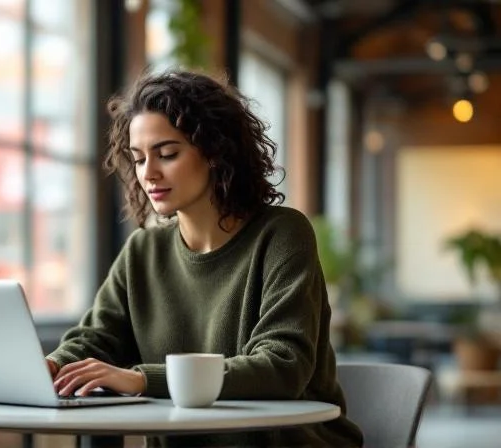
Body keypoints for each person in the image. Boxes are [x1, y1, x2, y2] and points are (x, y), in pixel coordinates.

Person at [44, 69, 364, 447]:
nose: (150, 173)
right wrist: (51, 366)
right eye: (139, 158)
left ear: (214, 150)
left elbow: (283, 365)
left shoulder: (281, 234)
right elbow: (95, 340)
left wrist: (145, 380)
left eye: (167, 154)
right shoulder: (143, 251)